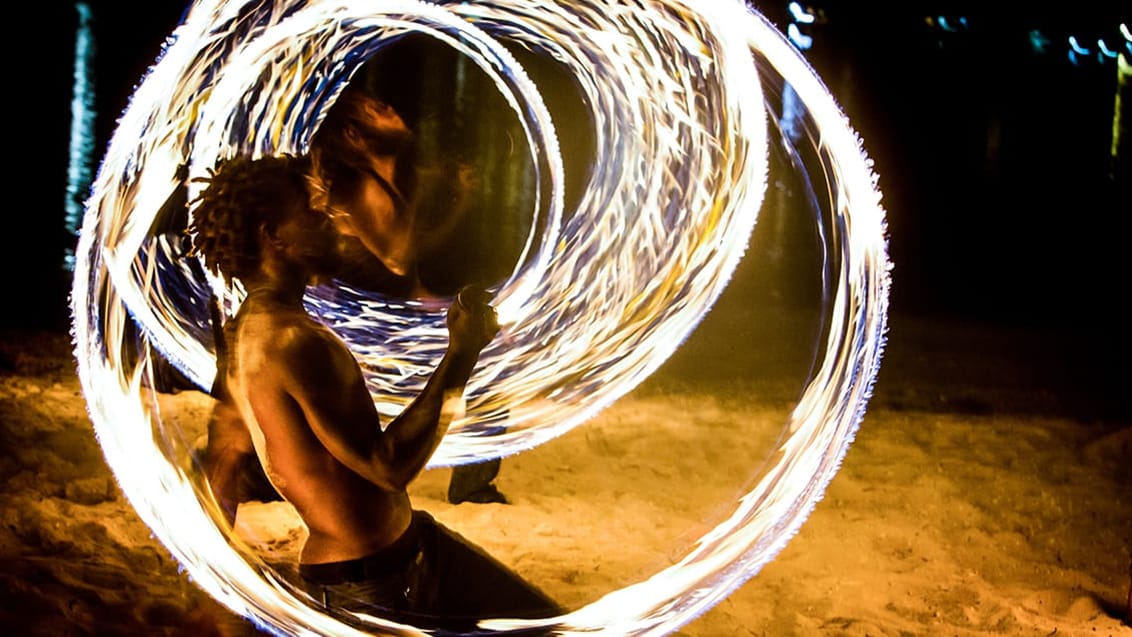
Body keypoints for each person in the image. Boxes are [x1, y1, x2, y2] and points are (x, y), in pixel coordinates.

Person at [189, 154, 560, 630]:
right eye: (311, 210)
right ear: (273, 235)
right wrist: (461, 356)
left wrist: (208, 589)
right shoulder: (296, 343)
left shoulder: (243, 333)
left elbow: (222, 467)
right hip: (380, 587)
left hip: (403, 554)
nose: (330, 217)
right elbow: (389, 467)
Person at [308, 84, 509, 505]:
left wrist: (426, 296)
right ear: (354, 135)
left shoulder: (386, 182)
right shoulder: (363, 188)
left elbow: (400, 268)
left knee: (490, 365)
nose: (389, 107)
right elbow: (399, 257)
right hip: (356, 323)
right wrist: (449, 198)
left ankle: (473, 482)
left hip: (380, 312)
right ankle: (472, 486)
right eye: (374, 108)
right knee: (478, 372)